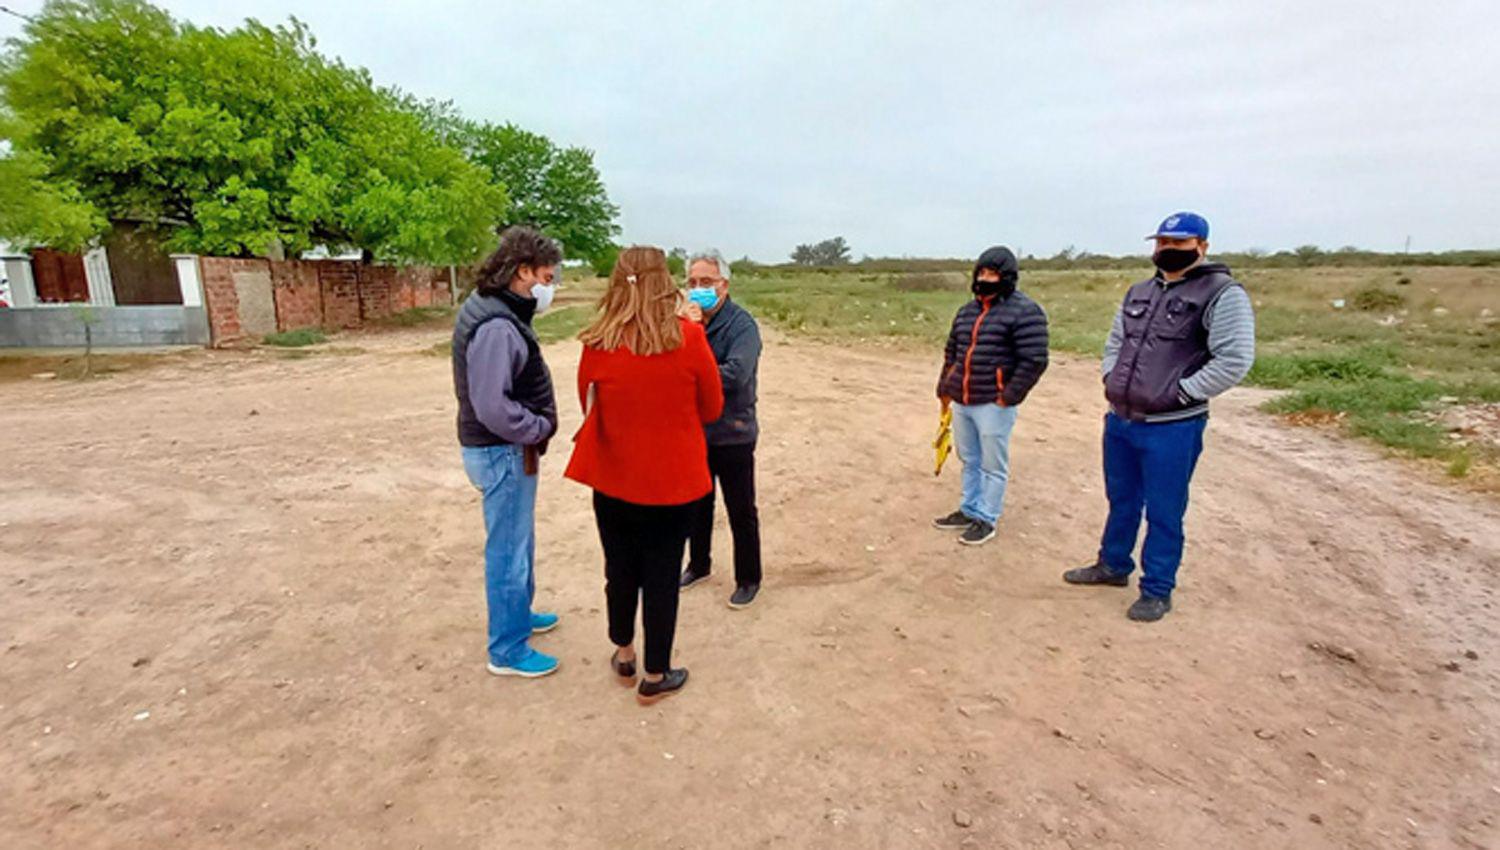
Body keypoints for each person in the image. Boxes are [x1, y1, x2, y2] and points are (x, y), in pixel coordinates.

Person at [1063, 212, 1255, 622]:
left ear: (1202, 246)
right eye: (1162, 242)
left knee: (1165, 509)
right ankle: (1113, 565)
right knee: (1122, 499)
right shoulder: (1140, 291)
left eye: (1178, 243)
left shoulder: (1222, 294)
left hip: (1173, 427)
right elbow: (1117, 340)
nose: (1167, 250)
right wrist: (1110, 376)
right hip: (1121, 418)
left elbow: (1235, 359)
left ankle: (1157, 588)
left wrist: (1182, 393)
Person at [565, 246, 724, 705]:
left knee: (619, 569)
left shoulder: (596, 341)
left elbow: (588, 406)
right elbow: (712, 408)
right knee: (661, 575)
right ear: (664, 284)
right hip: (673, 482)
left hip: (614, 477)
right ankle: (656, 674)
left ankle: (624, 652)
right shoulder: (689, 338)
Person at [452, 226, 564, 678]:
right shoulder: (497, 325)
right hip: (502, 450)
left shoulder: (497, 309)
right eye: (547, 277)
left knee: (519, 540)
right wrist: (537, 426)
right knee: (507, 550)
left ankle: (519, 615)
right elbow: (492, 404)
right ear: (522, 272)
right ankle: (507, 648)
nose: (550, 287)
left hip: (507, 450)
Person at [932, 246, 1050, 545]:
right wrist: (945, 386)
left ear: (1007, 277)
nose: (985, 279)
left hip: (993, 404)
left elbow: (1034, 360)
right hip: (962, 399)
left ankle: (987, 517)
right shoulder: (967, 311)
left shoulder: (1025, 311)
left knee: (992, 464)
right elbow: (952, 351)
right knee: (969, 458)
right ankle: (969, 508)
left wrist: (1008, 396)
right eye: (982, 273)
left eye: (993, 274)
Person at [678, 249, 765, 609]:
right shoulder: (687, 324)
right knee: (697, 504)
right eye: (693, 283)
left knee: (740, 508)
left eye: (707, 282)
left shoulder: (742, 326)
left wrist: (693, 373)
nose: (699, 289)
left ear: (724, 285)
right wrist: (690, 331)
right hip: (696, 430)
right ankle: (699, 564)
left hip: (733, 429)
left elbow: (735, 374)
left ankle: (749, 577)